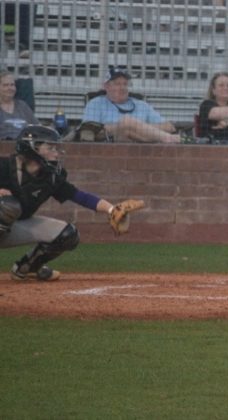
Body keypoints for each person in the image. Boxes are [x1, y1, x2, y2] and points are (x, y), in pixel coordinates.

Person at [0, 125, 120, 281]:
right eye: (50, 147)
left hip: (13, 227)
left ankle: (27, 268)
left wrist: (112, 209)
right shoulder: (4, 166)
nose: (56, 153)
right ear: (33, 148)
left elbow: (78, 196)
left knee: (67, 235)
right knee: (8, 205)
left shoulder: (51, 177)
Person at [82, 67, 181, 143]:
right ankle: (172, 139)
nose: (123, 87)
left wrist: (138, 128)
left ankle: (169, 138)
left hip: (144, 147)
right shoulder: (95, 104)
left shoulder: (141, 105)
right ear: (106, 86)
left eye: (125, 84)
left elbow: (169, 127)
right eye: (117, 84)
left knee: (128, 123)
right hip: (113, 146)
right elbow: (88, 131)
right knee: (126, 121)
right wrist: (121, 127)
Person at [0, 71, 38, 140]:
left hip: (24, 145)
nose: (10, 88)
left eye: (12, 85)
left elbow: (37, 128)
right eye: (6, 85)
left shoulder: (23, 106)